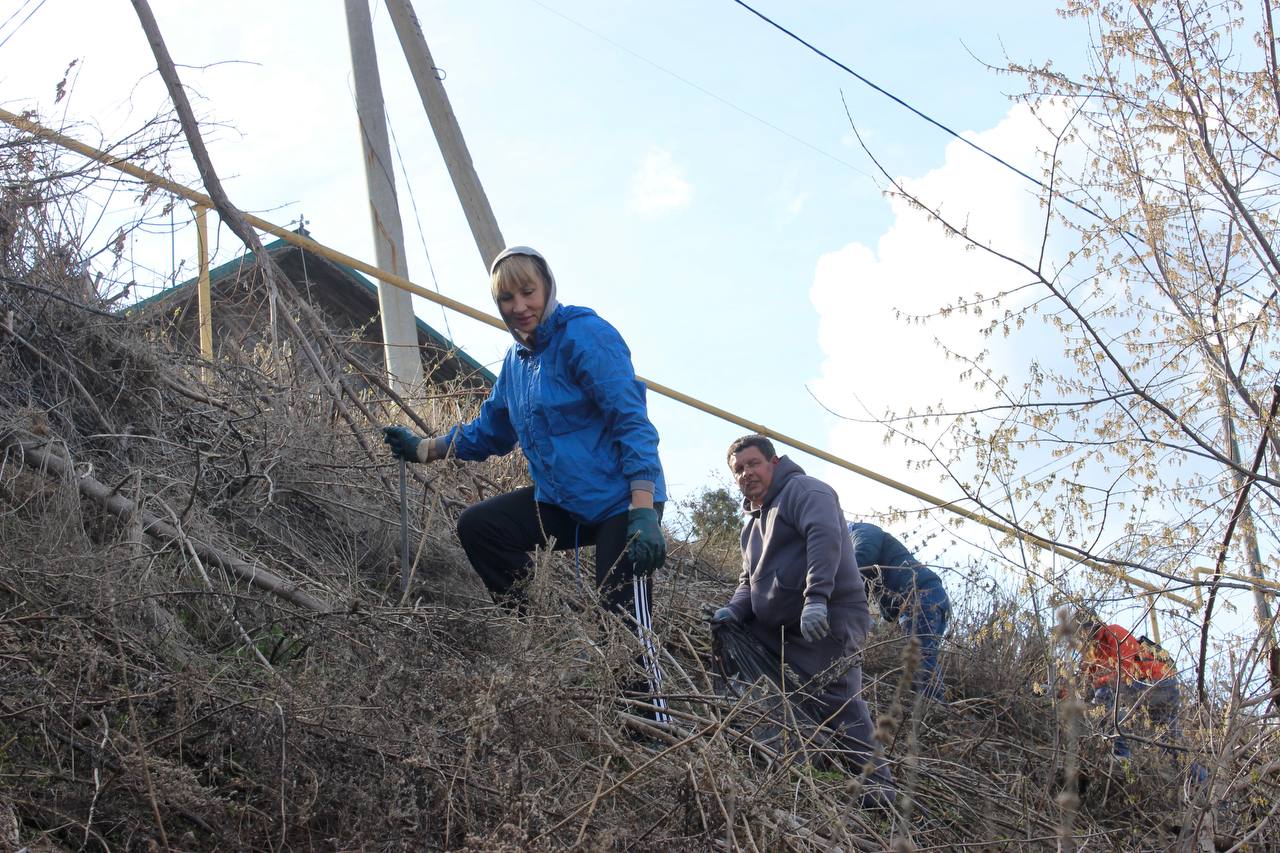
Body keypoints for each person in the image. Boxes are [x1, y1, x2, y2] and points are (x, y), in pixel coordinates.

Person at [382, 245, 669, 719]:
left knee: (622, 622)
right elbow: (491, 429)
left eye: (528, 292)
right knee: (481, 526)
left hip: (622, 500)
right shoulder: (517, 362)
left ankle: (649, 726)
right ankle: (549, 639)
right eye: (507, 299)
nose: (519, 306)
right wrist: (424, 448)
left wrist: (643, 508)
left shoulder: (586, 336)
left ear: (548, 287)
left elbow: (631, 420)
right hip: (565, 502)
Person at [711, 434, 894, 799]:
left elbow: (824, 539)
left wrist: (816, 599)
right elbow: (748, 581)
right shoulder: (750, 527)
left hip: (827, 616)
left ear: (774, 463)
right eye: (739, 469)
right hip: (778, 625)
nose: (746, 474)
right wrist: (733, 610)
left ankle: (880, 793)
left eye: (753, 463)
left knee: (838, 700)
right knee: (741, 657)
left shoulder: (805, 491)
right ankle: (796, 752)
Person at [847, 522, 951, 700]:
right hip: (926, 597)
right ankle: (932, 706)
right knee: (920, 659)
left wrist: (843, 590)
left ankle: (937, 707)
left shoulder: (859, 530)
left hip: (921, 595)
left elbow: (864, 556)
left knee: (919, 661)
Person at [1077, 619, 1181, 759]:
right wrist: (1060, 693)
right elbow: (1084, 684)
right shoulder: (1092, 652)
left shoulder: (1113, 632)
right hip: (1156, 687)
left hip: (1159, 682)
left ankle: (1121, 754)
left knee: (1107, 696)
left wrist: (1097, 683)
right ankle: (1198, 773)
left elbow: (1126, 671)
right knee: (1170, 745)